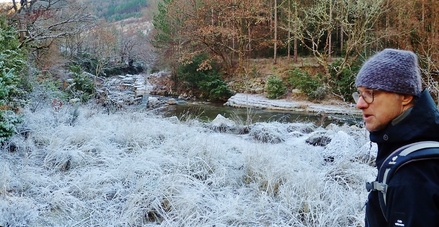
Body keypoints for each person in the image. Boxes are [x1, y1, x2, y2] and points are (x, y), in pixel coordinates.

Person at [353, 48, 439, 226]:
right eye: (360, 94)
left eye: (370, 93)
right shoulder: (416, 143)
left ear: (405, 97)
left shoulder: (413, 175)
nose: (360, 104)